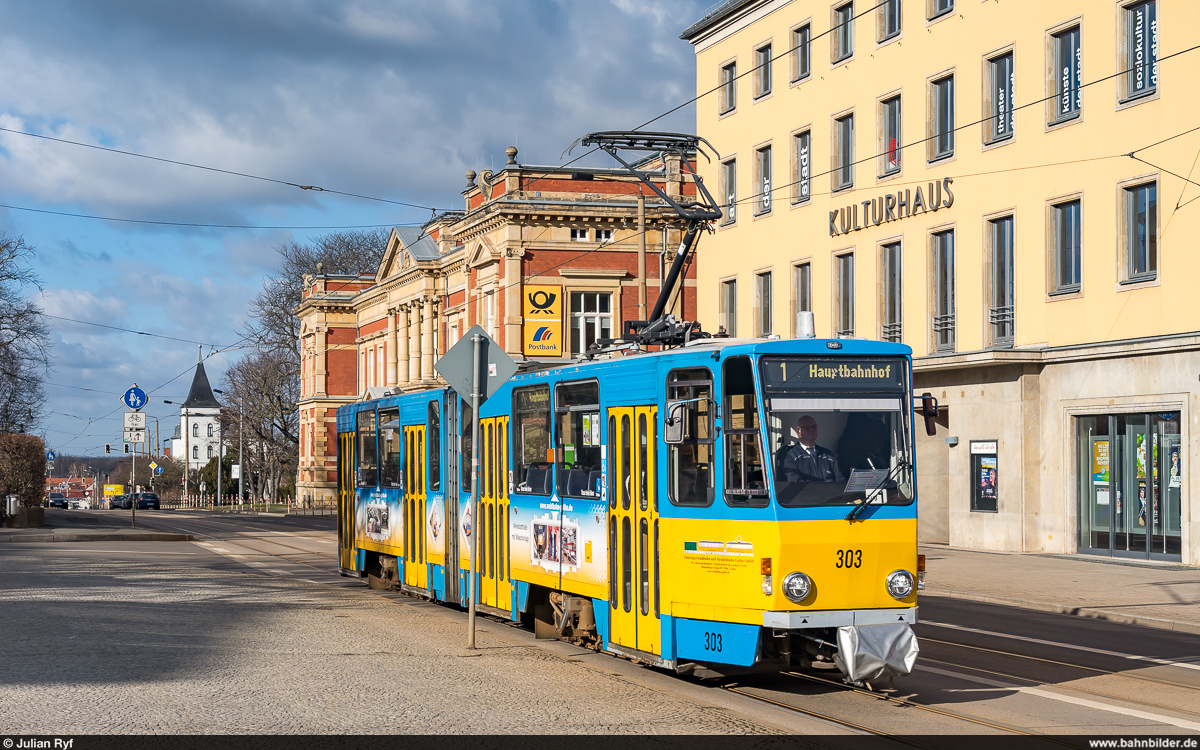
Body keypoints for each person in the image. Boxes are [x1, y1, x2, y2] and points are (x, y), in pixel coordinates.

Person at [779, 415, 842, 482]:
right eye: (807, 427)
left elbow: (840, 481)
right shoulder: (790, 455)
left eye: (814, 427)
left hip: (830, 492)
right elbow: (795, 482)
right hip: (804, 492)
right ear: (798, 431)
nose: (811, 429)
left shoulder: (828, 455)